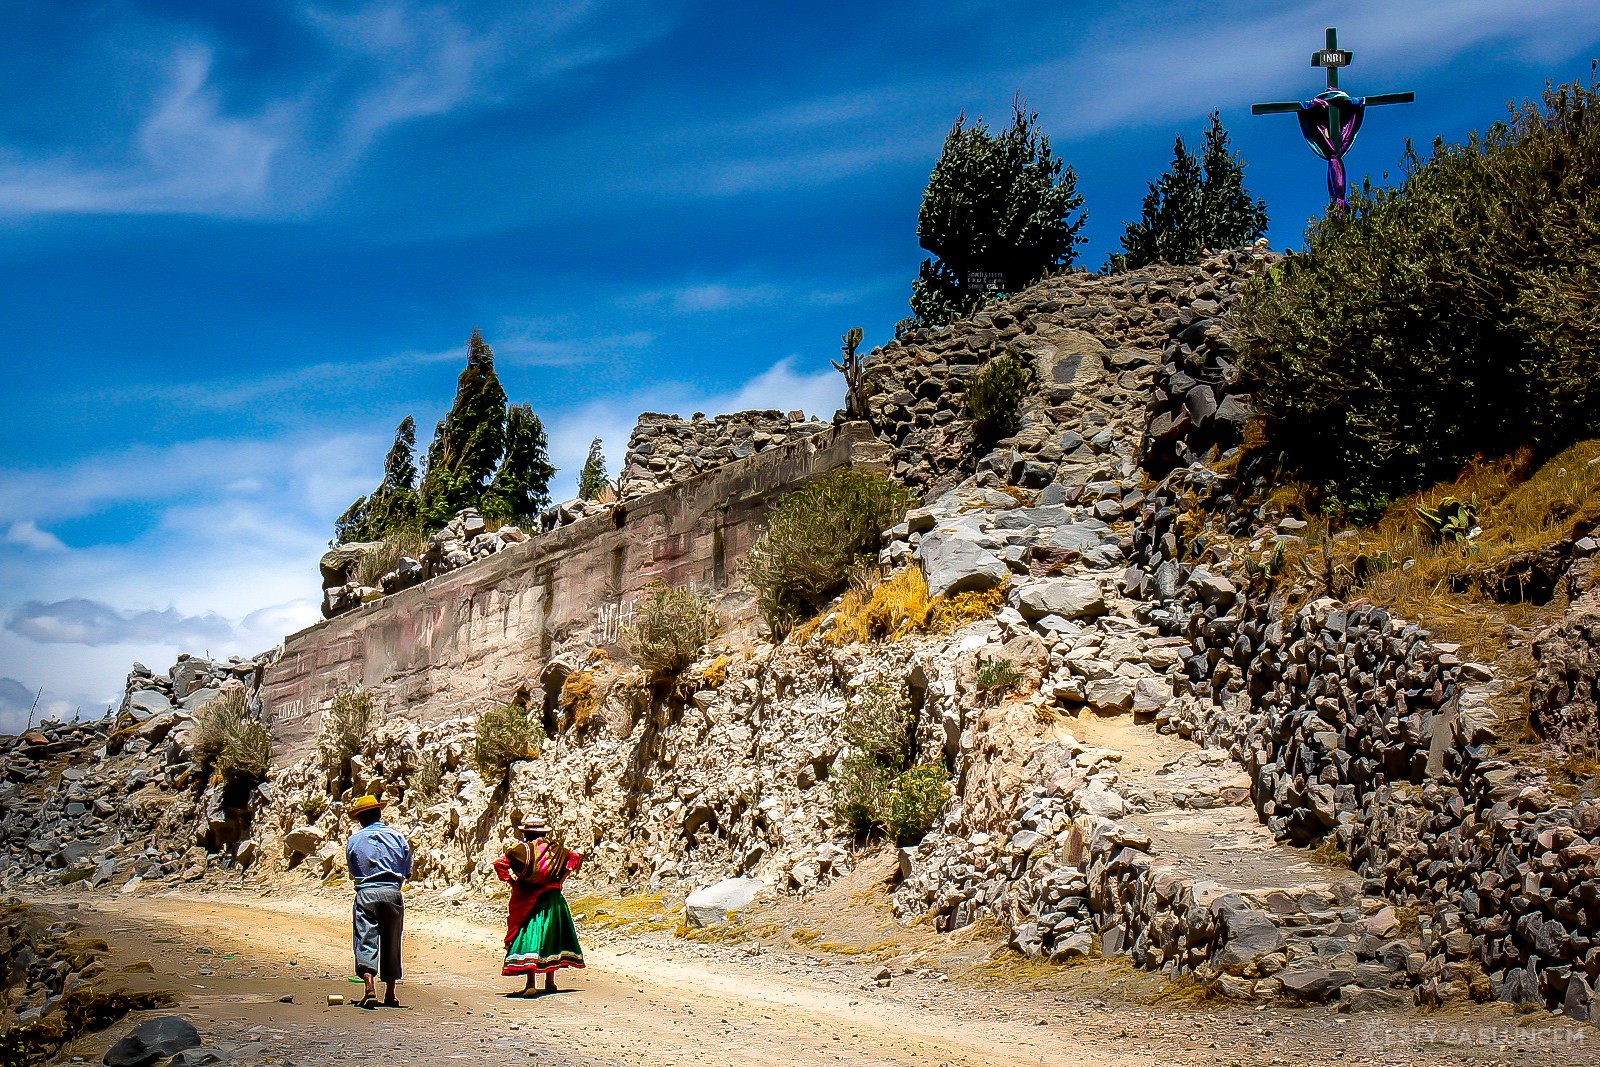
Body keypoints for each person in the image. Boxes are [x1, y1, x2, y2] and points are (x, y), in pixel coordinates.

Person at [493, 816, 584, 996]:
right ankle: (550, 982)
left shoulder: (521, 851)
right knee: (552, 937)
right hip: (553, 899)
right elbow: (574, 857)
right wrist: (560, 880)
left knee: (531, 936)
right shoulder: (556, 850)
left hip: (529, 899)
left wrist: (512, 882)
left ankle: (530, 982)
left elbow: (500, 864)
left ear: (525, 833)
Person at [344, 794, 412, 1009]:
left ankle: (369, 986)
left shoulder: (354, 840)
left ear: (360, 818)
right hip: (392, 892)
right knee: (392, 941)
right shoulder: (398, 837)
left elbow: (353, 871)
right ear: (379, 814)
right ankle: (391, 993)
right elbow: (407, 871)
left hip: (366, 893)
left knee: (365, 938)